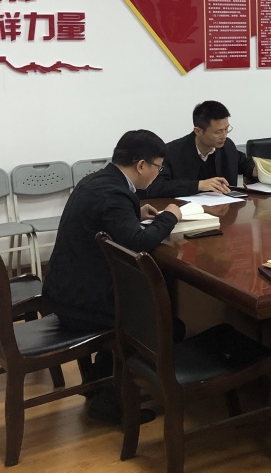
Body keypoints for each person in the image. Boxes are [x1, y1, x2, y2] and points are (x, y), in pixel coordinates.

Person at [42, 129, 182, 422]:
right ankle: (108, 398)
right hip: (81, 301)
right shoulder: (114, 194)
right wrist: (171, 215)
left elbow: (106, 218)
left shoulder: (99, 180)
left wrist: (134, 213)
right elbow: (139, 243)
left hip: (64, 287)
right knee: (164, 325)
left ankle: (99, 380)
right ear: (141, 165)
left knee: (153, 314)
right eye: (158, 167)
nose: (157, 174)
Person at [142, 100, 255, 198]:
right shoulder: (172, 152)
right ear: (198, 131)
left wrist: (256, 170)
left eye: (226, 129)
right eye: (218, 132)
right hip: (186, 211)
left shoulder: (227, 146)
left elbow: (245, 163)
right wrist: (198, 185)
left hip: (224, 209)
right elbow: (156, 187)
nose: (224, 135)